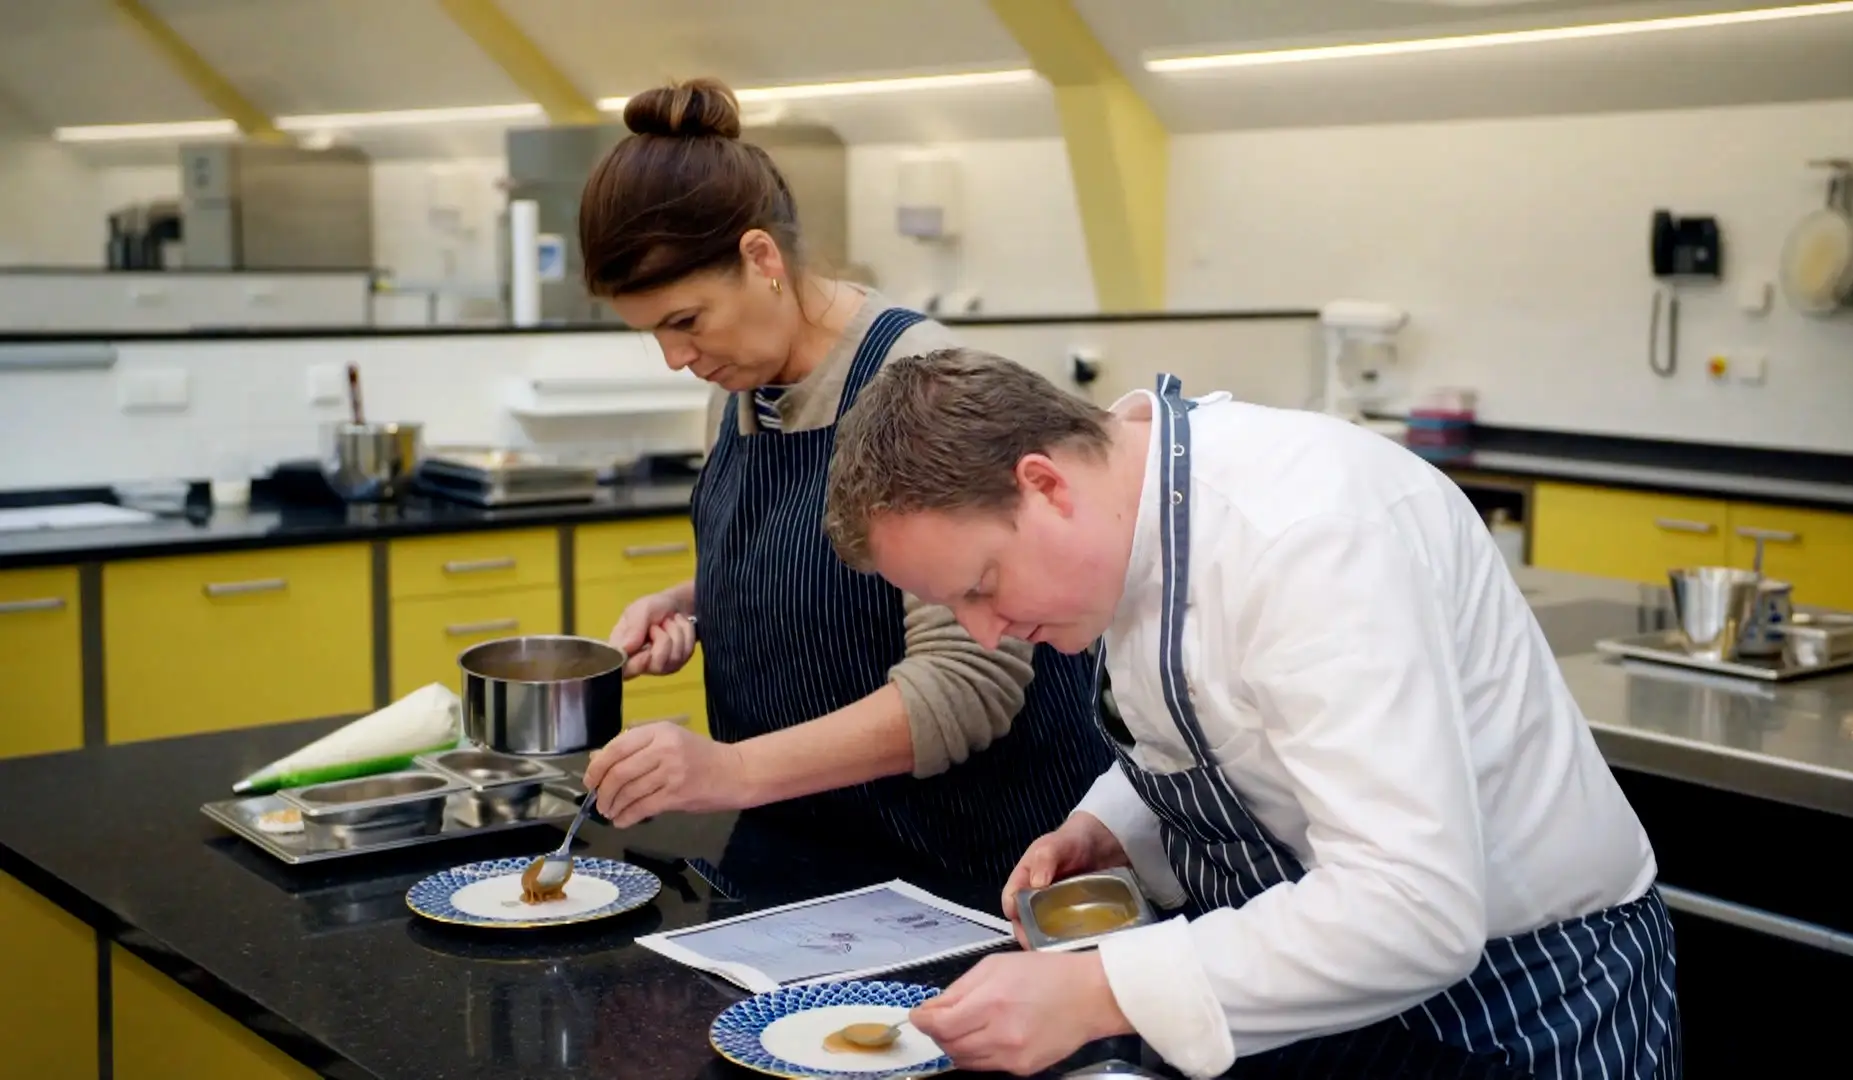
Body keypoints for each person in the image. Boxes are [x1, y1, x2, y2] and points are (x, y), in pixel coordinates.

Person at [822, 348, 1679, 1079]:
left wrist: (1098, 991)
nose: (987, 630)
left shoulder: (1307, 536)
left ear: (1044, 484)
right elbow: (1228, 712)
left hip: (1526, 999)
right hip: (1338, 988)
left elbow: (1413, 906)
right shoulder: (1139, 512)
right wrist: (1116, 821)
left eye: (982, 586)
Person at [570, 79, 1112, 890]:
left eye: (686, 321)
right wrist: (699, 601)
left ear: (762, 260)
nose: (675, 359)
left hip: (963, 871)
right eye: (653, 333)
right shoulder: (745, 384)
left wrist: (730, 770)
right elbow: (839, 572)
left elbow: (967, 682)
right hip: (810, 857)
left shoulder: (917, 387)